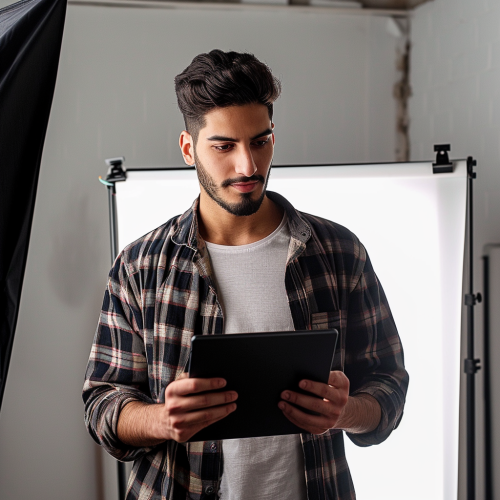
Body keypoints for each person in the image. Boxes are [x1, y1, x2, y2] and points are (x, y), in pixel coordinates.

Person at [83, 49, 409, 500]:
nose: (248, 167)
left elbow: (389, 387)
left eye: (260, 141)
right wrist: (161, 419)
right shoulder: (140, 266)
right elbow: (101, 404)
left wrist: (345, 411)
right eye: (223, 146)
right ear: (187, 148)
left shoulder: (339, 252)